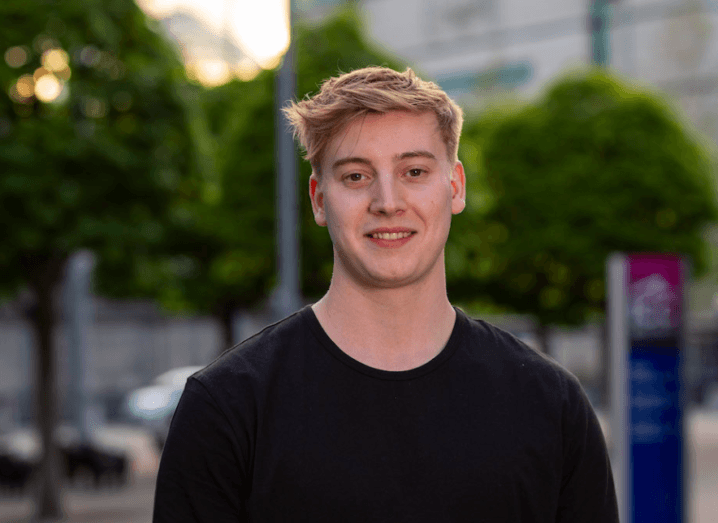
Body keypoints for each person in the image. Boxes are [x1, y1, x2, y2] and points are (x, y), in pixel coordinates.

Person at [153, 66, 618, 522]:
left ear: (454, 187)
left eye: (414, 171)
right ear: (319, 199)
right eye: (356, 176)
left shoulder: (550, 405)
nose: (388, 201)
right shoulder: (227, 408)